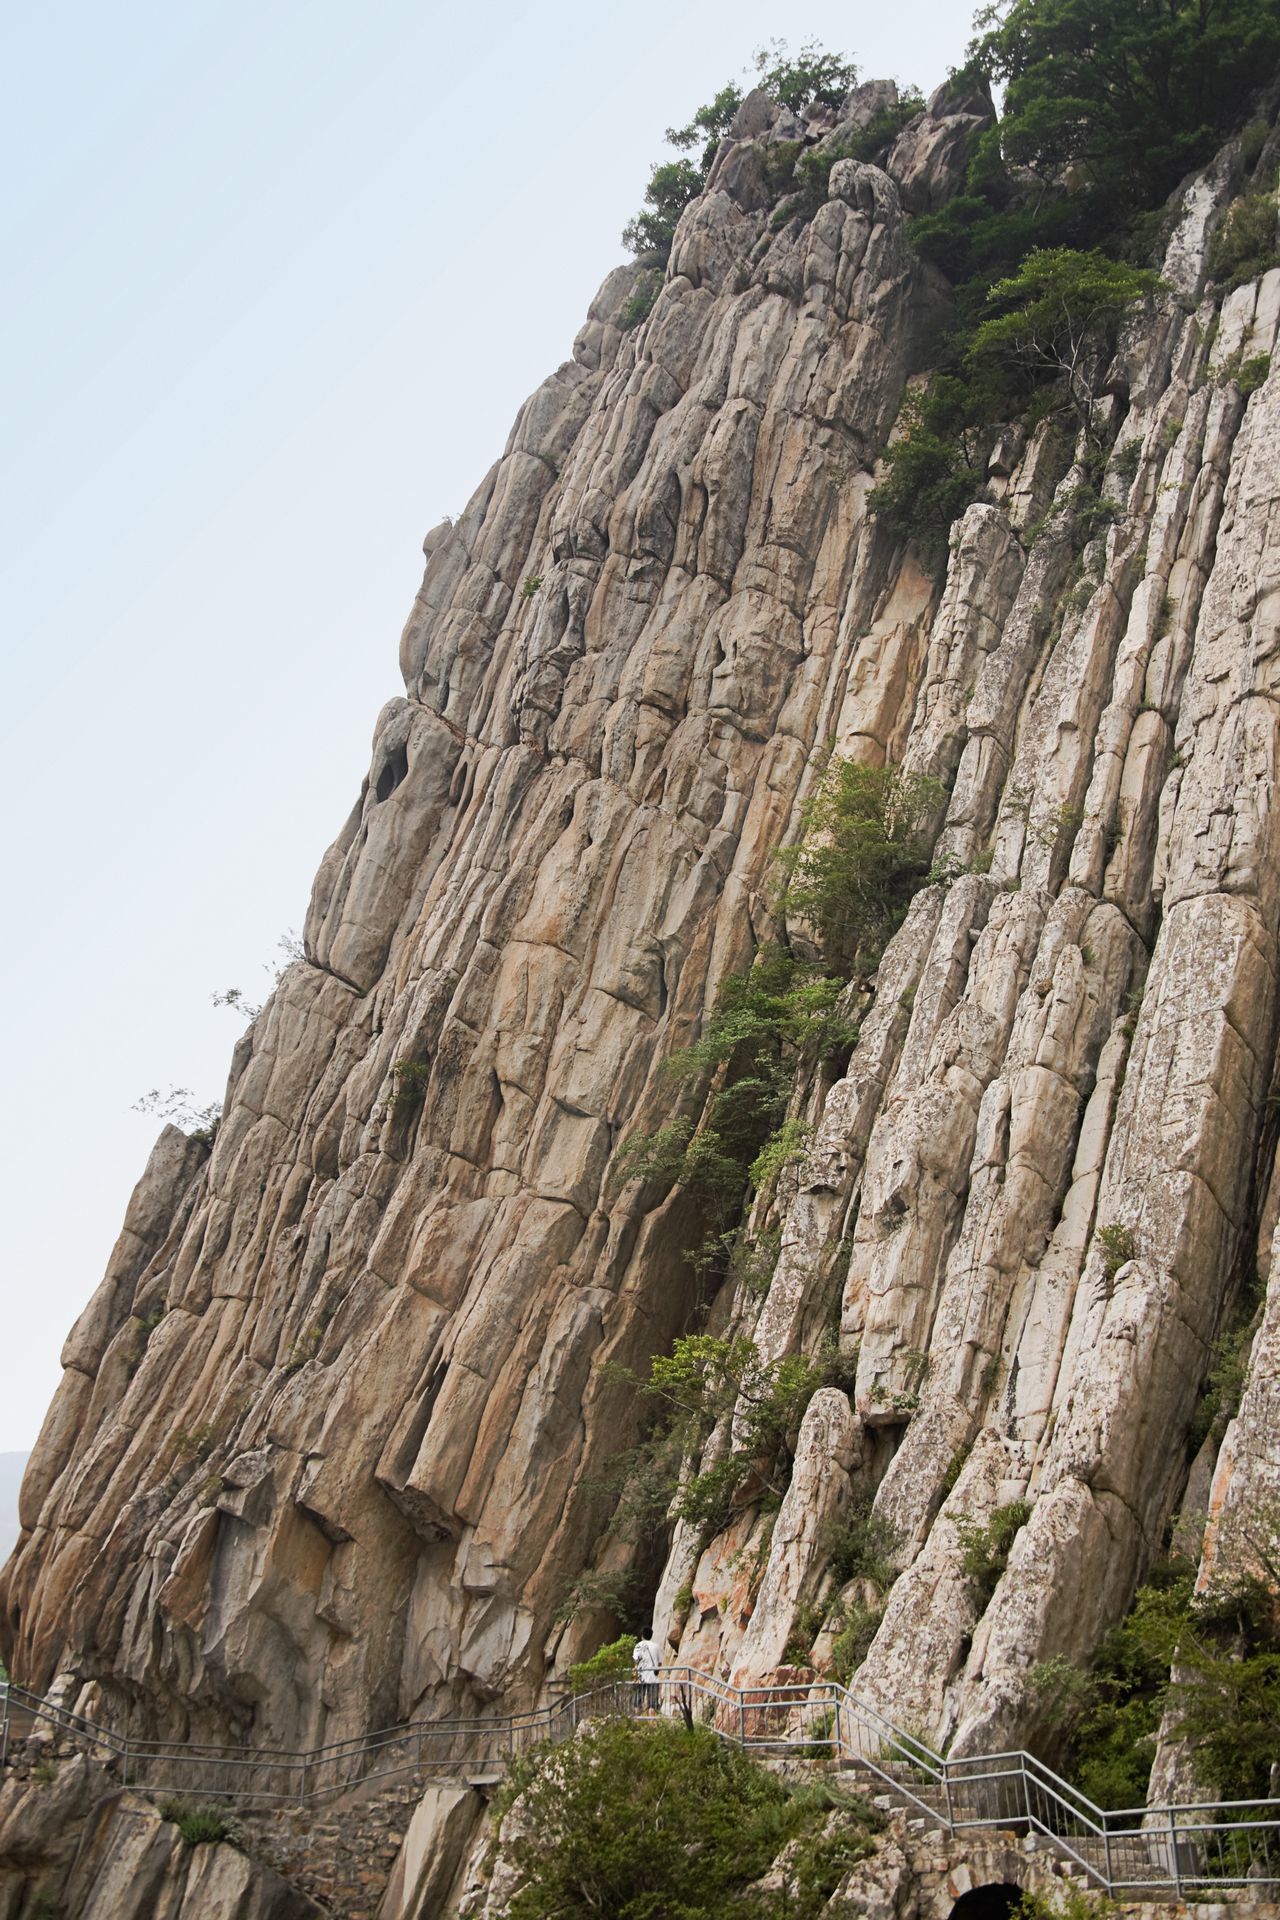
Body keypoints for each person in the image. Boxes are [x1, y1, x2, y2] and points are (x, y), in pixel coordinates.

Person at [631, 1627, 660, 1712]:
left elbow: (635, 1660)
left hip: (641, 1677)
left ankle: (638, 1721)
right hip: (653, 1677)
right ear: (651, 1635)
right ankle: (651, 1723)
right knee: (652, 1703)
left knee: (638, 1701)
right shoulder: (656, 1646)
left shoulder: (638, 1646)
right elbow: (660, 1662)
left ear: (642, 1636)